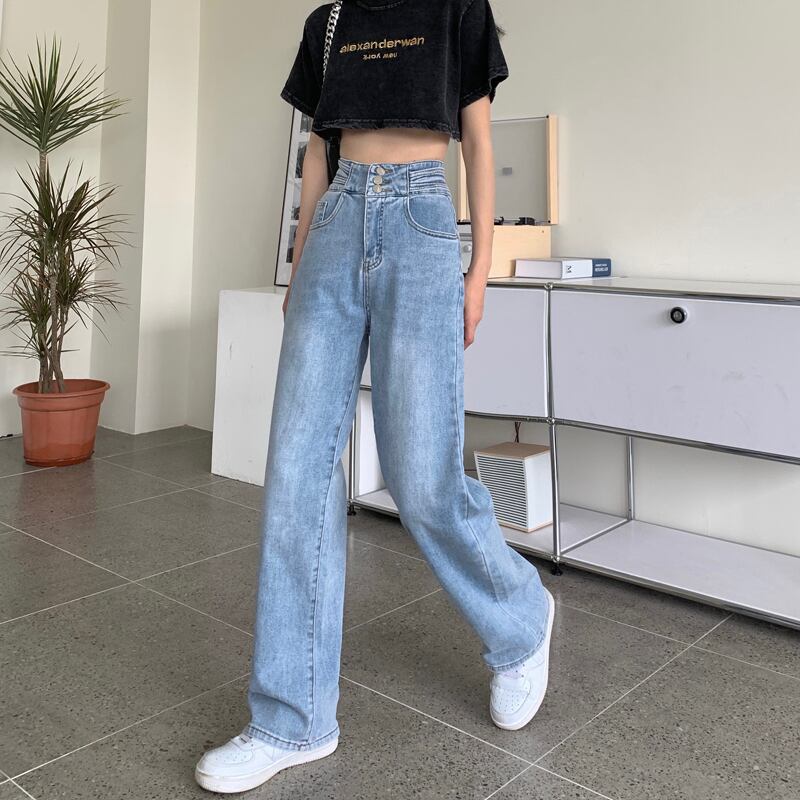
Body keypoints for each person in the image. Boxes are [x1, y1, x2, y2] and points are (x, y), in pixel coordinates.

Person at [195, 0, 554, 792]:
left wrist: (478, 270)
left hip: (423, 224)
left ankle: (521, 622)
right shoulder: (328, 22)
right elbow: (315, 156)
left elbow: (479, 140)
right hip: (336, 228)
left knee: (422, 478)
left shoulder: (457, 9)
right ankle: (291, 719)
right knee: (296, 472)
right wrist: (300, 266)